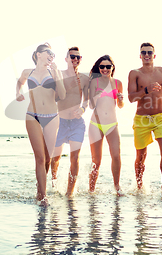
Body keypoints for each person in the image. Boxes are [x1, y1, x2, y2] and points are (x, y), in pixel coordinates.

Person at [16, 43, 66, 206]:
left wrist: (57, 76)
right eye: (48, 52)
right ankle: (43, 197)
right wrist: (17, 93)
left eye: (53, 53)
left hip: (51, 117)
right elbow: (20, 82)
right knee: (39, 157)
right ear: (38, 54)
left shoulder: (54, 72)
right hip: (32, 115)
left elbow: (63, 95)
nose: (51, 55)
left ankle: (40, 189)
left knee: (47, 159)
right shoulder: (27, 72)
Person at [127, 43, 162, 198]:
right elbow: (131, 98)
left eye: (149, 52)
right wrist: (146, 90)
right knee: (141, 156)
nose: (147, 55)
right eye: (143, 52)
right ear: (140, 56)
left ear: (154, 55)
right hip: (142, 119)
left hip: (160, 117)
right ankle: (140, 187)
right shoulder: (135, 73)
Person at [50, 47, 89, 197]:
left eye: (78, 57)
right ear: (66, 59)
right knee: (56, 158)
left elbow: (86, 100)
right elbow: (53, 96)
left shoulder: (84, 79)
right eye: (72, 56)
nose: (75, 59)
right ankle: (54, 184)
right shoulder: (58, 75)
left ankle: (69, 193)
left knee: (75, 157)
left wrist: (82, 109)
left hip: (77, 123)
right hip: (60, 122)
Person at [88, 55, 125, 196]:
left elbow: (120, 106)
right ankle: (91, 189)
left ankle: (117, 186)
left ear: (112, 68)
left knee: (116, 156)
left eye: (108, 66)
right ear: (99, 68)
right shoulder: (94, 83)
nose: (105, 69)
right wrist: (96, 96)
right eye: (102, 66)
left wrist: (121, 100)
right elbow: (91, 105)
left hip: (112, 124)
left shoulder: (117, 83)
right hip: (95, 124)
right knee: (96, 160)